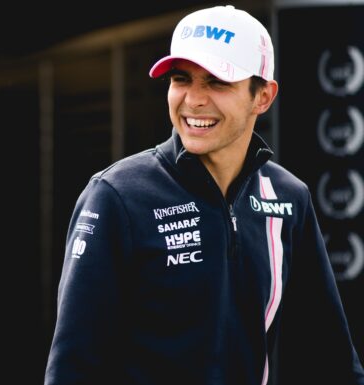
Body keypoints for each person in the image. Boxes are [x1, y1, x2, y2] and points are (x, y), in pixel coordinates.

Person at [44, 4, 364, 385]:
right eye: (181, 79)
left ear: (263, 96)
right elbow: (73, 368)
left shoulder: (288, 197)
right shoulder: (116, 195)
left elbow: (328, 359)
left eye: (217, 81)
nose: (193, 99)